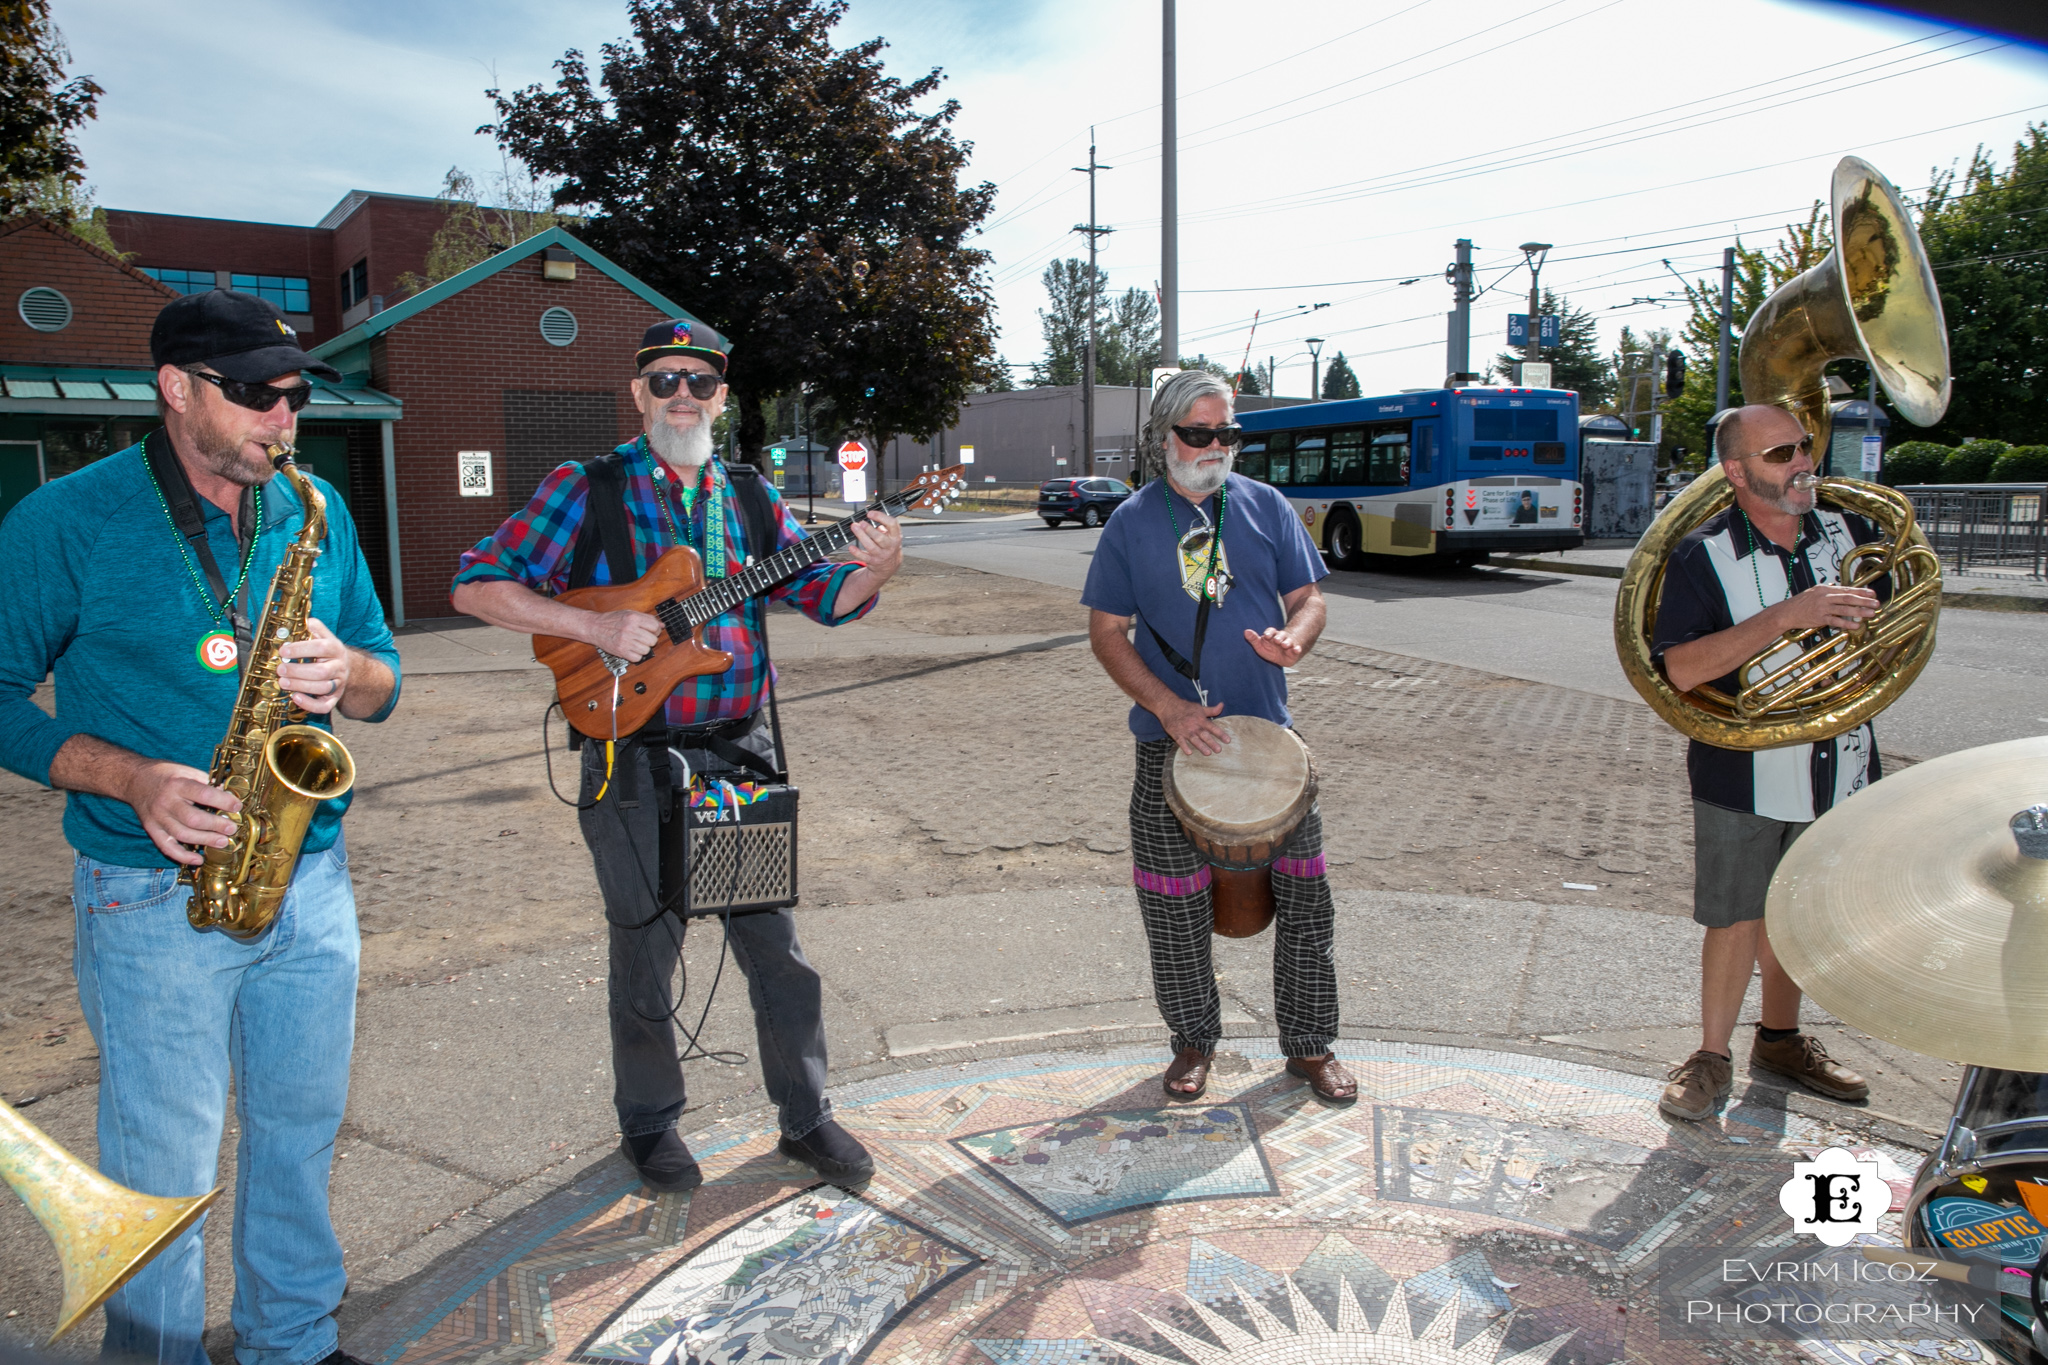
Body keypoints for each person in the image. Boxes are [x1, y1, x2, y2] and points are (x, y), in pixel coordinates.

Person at [0, 289, 401, 1365]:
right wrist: (130, 778)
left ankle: (293, 1343)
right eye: (258, 397)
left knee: (298, 1140)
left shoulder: (310, 507)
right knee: (161, 1173)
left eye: (296, 396)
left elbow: (381, 679)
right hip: (147, 893)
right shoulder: (64, 522)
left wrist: (349, 670)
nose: (286, 420)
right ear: (176, 390)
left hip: (307, 879)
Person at [450, 318, 901, 1191]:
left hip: (737, 758)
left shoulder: (749, 497)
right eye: (664, 381)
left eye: (699, 382)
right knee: (646, 950)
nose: (682, 396)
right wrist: (593, 625)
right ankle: (650, 1123)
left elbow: (826, 595)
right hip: (630, 760)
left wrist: (876, 568)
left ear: (723, 399)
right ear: (638, 393)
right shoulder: (587, 488)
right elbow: (475, 582)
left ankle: (806, 1116)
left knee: (774, 947)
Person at [1080, 369, 1354, 1105]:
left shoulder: (1266, 506)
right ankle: (1193, 1041)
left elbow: (1310, 597)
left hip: (1273, 747)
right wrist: (1168, 707)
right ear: (1164, 435)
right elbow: (1107, 633)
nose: (1215, 446)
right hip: (1168, 749)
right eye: (1199, 433)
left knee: (1308, 906)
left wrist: (1296, 638)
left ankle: (1309, 1045)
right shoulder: (1131, 522)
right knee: (1172, 911)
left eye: (1227, 433)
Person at [1653, 403, 1877, 1121]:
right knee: (1736, 915)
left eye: (1804, 446)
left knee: (1800, 912)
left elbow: (1899, 627)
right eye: (1781, 453)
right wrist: (1788, 615)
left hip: (1840, 760)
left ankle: (1780, 1039)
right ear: (1737, 471)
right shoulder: (1703, 553)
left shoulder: (1850, 530)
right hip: (1741, 767)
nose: (1803, 461)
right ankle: (1711, 1056)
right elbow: (1682, 667)